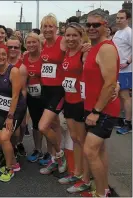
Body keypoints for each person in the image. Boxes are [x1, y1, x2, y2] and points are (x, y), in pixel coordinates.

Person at [81, 10, 120, 197]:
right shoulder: (93, 47)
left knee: (90, 150)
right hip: (92, 106)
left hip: (103, 109)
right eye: (88, 25)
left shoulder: (106, 48)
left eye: (96, 25)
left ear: (105, 25)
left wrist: (96, 111)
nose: (91, 28)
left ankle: (101, 192)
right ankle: (103, 190)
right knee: (99, 150)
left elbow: (110, 83)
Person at [57, 22, 91, 194]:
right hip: (68, 100)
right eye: (67, 35)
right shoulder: (67, 52)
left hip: (81, 102)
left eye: (74, 35)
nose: (70, 38)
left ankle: (86, 178)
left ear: (81, 35)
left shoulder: (84, 52)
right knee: (75, 138)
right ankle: (77, 173)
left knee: (83, 141)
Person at [38, 14, 67, 175]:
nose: (48, 29)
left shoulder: (62, 41)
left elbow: (77, 51)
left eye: (51, 26)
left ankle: (60, 156)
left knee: (43, 126)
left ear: (56, 28)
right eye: (45, 26)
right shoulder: (44, 43)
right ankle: (54, 158)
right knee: (54, 125)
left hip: (58, 90)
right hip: (46, 90)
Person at [0, 45, 23, 182]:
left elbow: (16, 96)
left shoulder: (14, 71)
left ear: (7, 55)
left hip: (15, 109)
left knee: (5, 138)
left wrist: (10, 117)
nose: (0, 57)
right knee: (0, 139)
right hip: (0, 109)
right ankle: (15, 163)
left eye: (3, 54)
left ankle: (9, 168)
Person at [23, 33, 46, 164]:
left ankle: (51, 152)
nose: (31, 45)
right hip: (30, 95)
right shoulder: (25, 56)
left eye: (34, 42)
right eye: (29, 42)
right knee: (36, 124)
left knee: (46, 124)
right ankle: (38, 149)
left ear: (39, 43)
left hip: (44, 95)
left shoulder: (44, 57)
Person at [113, 9, 132, 135]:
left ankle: (128, 124)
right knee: (119, 95)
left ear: (128, 19)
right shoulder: (118, 32)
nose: (119, 20)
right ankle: (120, 120)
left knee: (125, 96)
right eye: (118, 18)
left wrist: (128, 62)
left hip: (126, 70)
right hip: (116, 69)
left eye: (121, 18)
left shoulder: (129, 32)